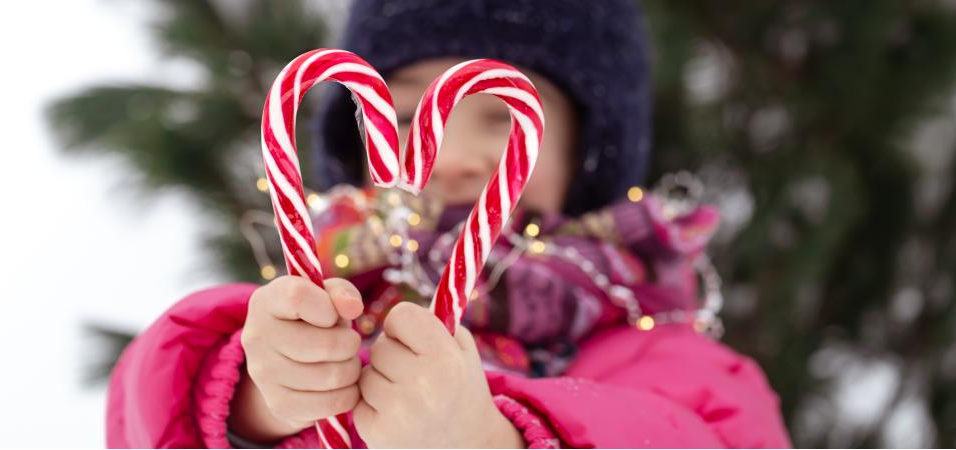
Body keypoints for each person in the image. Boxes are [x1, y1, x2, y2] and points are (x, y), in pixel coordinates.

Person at [105, 0, 792, 447]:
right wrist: (254, 399)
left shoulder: (676, 364)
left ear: (586, 149)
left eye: (499, 116)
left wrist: (493, 439)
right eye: (406, 117)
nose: (454, 158)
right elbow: (146, 411)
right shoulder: (310, 313)